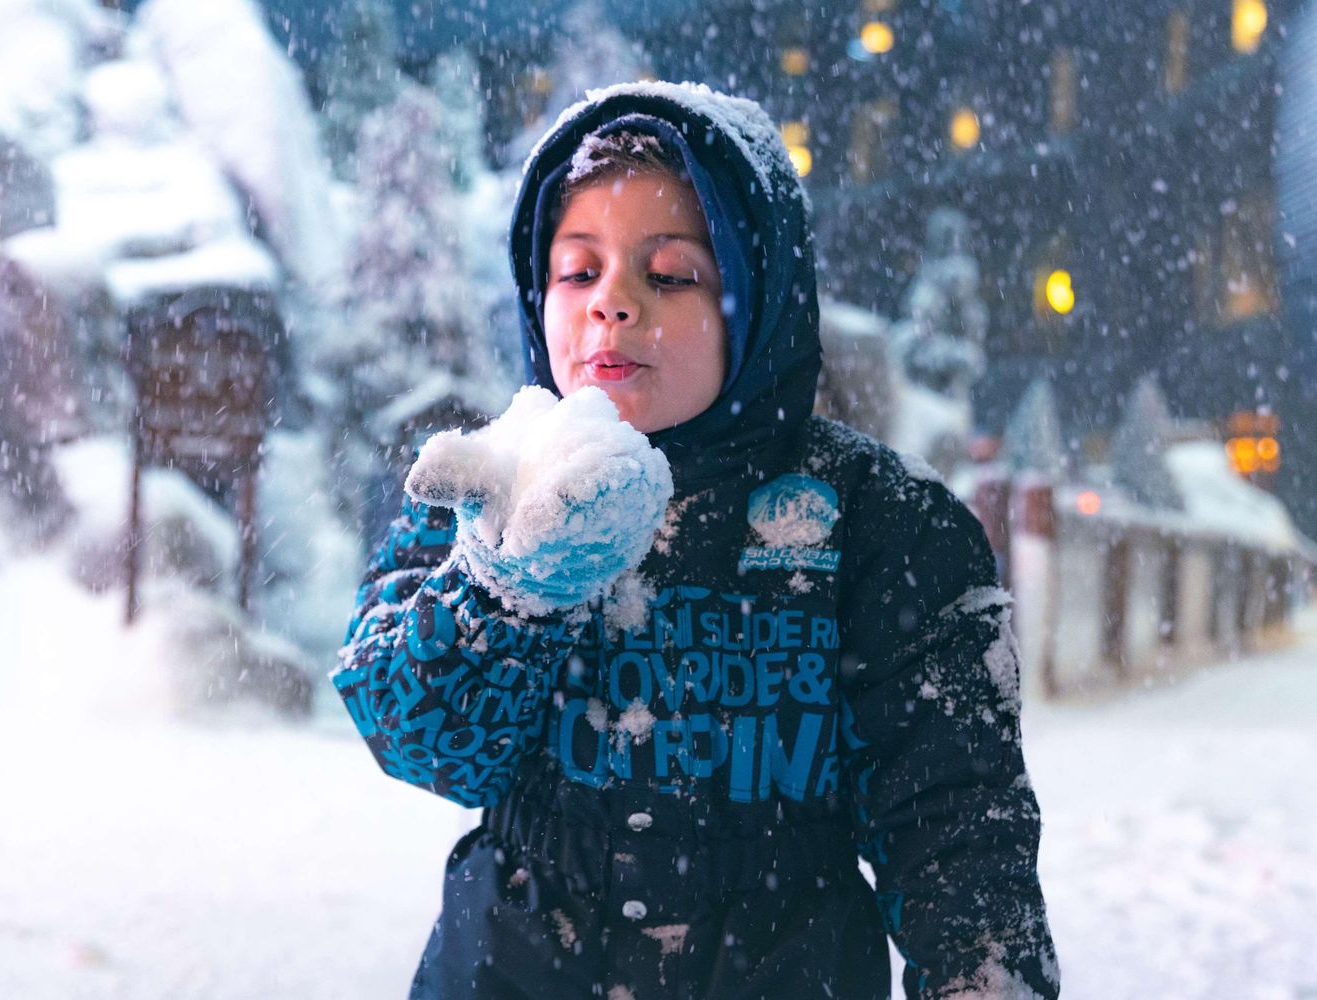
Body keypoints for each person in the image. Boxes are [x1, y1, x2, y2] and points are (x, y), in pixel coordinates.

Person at [333, 81, 1059, 1000]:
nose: (614, 304)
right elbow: (418, 739)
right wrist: (503, 591)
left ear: (757, 298)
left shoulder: (881, 521)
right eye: (577, 270)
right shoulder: (489, 484)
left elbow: (958, 823)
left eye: (670, 272)